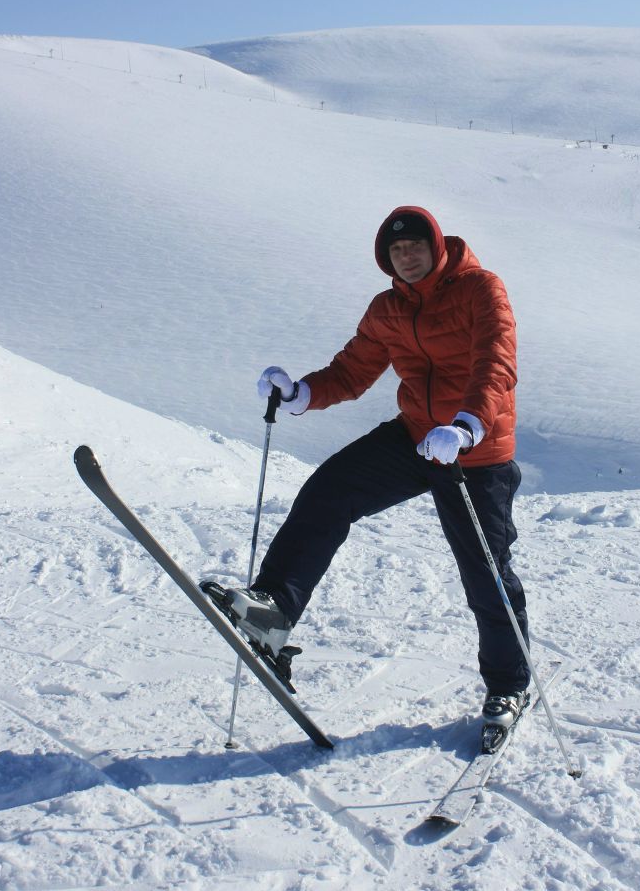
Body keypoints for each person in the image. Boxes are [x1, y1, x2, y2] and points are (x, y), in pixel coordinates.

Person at [223, 205, 530, 730]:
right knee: (330, 490)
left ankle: (509, 687)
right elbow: (353, 368)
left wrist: (465, 426)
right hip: (416, 436)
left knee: (485, 572)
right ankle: (272, 611)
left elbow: (495, 364)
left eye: (414, 247)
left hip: (474, 450)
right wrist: (301, 394)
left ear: (436, 246)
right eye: (395, 251)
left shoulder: (481, 289)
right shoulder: (387, 308)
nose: (406, 257)